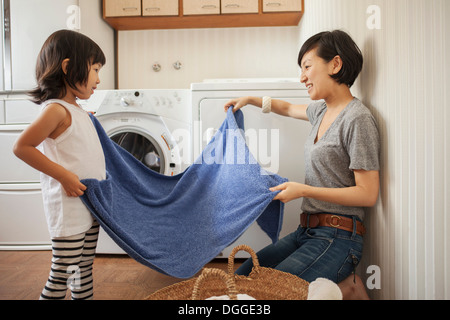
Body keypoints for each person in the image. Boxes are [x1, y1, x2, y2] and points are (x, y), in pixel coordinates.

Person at [224, 30, 380, 300]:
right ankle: (345, 289)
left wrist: (303, 190)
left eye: (307, 66)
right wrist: (249, 99)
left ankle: (346, 289)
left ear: (335, 64)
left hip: (339, 238)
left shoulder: (357, 119)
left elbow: (367, 193)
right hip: (306, 232)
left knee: (266, 294)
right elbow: (285, 108)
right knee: (240, 281)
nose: (302, 77)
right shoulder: (320, 110)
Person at [13, 30, 106, 300]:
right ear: (68, 67)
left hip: (89, 204)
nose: (99, 78)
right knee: (64, 271)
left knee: (83, 268)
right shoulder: (56, 110)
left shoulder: (77, 110)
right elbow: (22, 147)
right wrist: (64, 176)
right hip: (69, 209)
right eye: (95, 69)